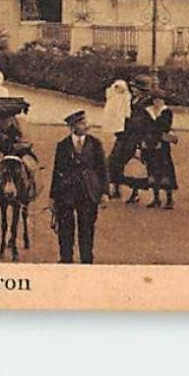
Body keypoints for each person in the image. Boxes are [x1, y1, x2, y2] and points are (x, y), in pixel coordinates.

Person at [49, 109, 109, 264]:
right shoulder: (62, 145)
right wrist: (53, 197)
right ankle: (65, 258)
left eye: (85, 122)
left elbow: (103, 169)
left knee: (87, 227)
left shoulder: (95, 144)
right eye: (81, 123)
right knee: (65, 228)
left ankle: (86, 259)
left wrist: (104, 192)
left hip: (88, 192)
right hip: (66, 193)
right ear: (72, 126)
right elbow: (57, 171)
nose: (85, 126)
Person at [139, 86, 178, 209]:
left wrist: (155, 132)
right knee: (152, 170)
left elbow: (165, 126)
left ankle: (169, 199)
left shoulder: (166, 112)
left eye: (160, 100)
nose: (158, 102)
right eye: (155, 100)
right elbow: (144, 126)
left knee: (165, 171)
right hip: (149, 144)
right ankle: (156, 198)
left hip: (162, 145)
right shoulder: (147, 111)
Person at [102, 78, 133, 199]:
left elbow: (127, 115)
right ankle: (114, 187)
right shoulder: (115, 99)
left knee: (116, 163)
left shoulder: (126, 99)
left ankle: (117, 187)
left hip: (125, 136)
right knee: (114, 162)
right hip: (118, 134)